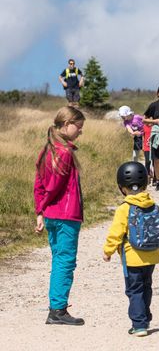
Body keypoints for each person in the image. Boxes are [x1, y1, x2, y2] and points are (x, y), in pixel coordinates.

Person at [34, 106, 86, 326]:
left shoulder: (48, 149)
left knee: (59, 260)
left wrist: (40, 211)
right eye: (79, 127)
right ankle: (57, 309)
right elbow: (53, 186)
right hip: (65, 215)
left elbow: (39, 183)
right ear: (66, 125)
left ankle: (57, 306)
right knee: (65, 261)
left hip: (53, 216)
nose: (80, 132)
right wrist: (43, 207)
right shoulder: (63, 153)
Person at [103, 162, 159, 337]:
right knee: (147, 286)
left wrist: (108, 251)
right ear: (145, 184)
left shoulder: (124, 208)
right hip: (151, 255)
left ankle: (139, 324)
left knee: (134, 290)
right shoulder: (152, 204)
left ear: (122, 188)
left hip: (132, 257)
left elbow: (116, 233)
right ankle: (145, 316)